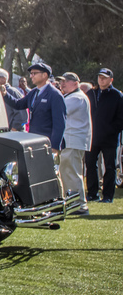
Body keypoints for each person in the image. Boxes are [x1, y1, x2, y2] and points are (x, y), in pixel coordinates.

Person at [3, 63, 66, 154]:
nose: (31, 76)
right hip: (34, 140)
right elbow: (18, 105)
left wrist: (55, 146)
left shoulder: (55, 95)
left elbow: (60, 123)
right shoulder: (34, 92)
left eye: (34, 73)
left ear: (44, 75)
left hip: (47, 143)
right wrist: (5, 94)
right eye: (31, 73)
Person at [86, 67, 123, 203]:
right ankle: (92, 193)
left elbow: (120, 119)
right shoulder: (91, 93)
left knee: (110, 167)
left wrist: (111, 130)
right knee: (90, 165)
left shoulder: (116, 95)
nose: (101, 79)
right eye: (100, 77)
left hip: (109, 139)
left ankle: (107, 196)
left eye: (104, 77)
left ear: (111, 79)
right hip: (92, 138)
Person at [57, 72, 91, 216]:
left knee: (72, 172)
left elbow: (60, 111)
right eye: (62, 81)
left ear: (75, 83)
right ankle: (73, 202)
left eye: (66, 81)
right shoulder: (72, 96)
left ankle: (79, 205)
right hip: (70, 140)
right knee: (68, 172)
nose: (62, 84)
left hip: (73, 140)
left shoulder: (77, 97)